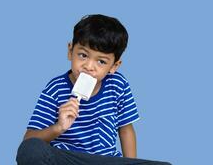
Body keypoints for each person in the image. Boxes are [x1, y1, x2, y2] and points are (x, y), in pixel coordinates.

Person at [16, 14, 171, 165]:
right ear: (70, 51)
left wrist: (129, 163)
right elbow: (28, 139)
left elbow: (126, 130)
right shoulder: (55, 88)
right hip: (69, 159)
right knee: (30, 150)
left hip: (105, 160)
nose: (89, 67)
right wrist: (58, 127)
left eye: (101, 61)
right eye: (83, 55)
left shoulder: (118, 85)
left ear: (114, 66)